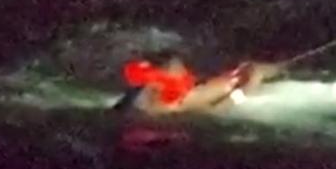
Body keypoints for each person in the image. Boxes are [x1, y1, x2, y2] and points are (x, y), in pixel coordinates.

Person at [114, 52, 287, 116]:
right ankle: (281, 67)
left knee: (249, 68)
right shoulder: (180, 102)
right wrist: (247, 89)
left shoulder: (142, 92)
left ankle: (279, 67)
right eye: (179, 67)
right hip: (233, 86)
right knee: (255, 70)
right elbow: (217, 111)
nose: (183, 70)